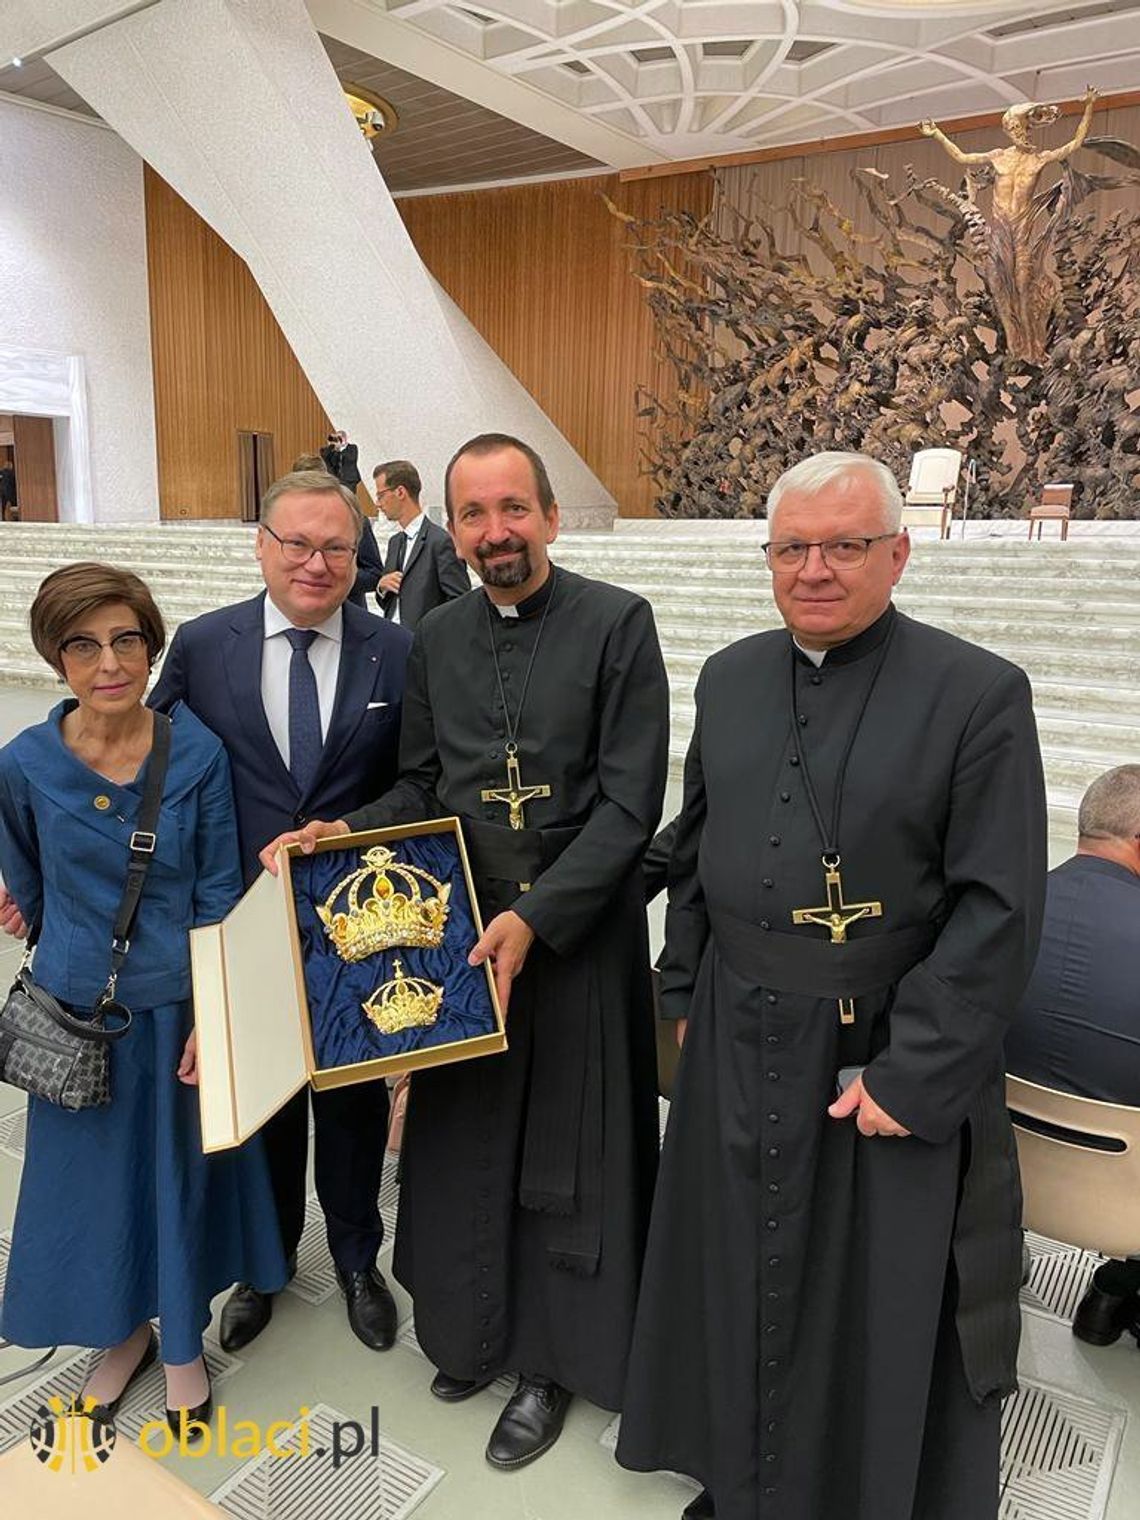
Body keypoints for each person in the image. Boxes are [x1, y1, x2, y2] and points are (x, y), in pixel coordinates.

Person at [616, 451, 1047, 1520]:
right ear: (767, 558)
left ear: (897, 554)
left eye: (845, 544)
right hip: (734, 1026)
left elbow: (1000, 905)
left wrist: (918, 1073)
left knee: (860, 1292)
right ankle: (742, 1475)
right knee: (734, 1266)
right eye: (793, 547)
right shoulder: (729, 675)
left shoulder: (978, 693)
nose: (816, 568)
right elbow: (704, 841)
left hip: (877, 1049)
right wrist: (678, 991)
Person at [259, 433, 669, 1469]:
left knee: (562, 1160)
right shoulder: (435, 634)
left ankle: (551, 1360)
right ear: (454, 524)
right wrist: (345, 832)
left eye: (514, 509)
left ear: (550, 516)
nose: (497, 533)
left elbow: (632, 806)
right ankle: (474, 1327)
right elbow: (423, 786)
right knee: (465, 1142)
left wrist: (539, 919)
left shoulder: (619, 624)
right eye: (476, 514)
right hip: (460, 942)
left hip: (573, 941)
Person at [0, 563, 286, 1437]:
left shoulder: (191, 752)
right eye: (82, 645)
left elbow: (214, 888)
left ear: (152, 649)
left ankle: (182, 1343)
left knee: (180, 1180)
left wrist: (213, 1010)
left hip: (175, 1005)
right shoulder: (23, 764)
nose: (108, 663)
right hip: (77, 1014)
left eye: (127, 640)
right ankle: (116, 1334)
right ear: (56, 659)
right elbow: (26, 879)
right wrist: (43, 928)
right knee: (92, 1190)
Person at [148, 468, 412, 1355]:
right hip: (241, 915)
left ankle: (355, 1260)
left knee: (350, 1102)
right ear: (261, 546)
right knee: (257, 1098)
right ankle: (261, 1267)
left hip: (354, 917)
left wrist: (351, 828)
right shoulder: (202, 644)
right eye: (296, 543)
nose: (316, 562)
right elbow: (149, 764)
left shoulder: (395, 651)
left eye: (337, 546)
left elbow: (420, 777)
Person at [1005, 764, 1140, 1348]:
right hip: (1123, 1206)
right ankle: (1112, 1298)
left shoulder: (995, 913)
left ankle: (1002, 1261)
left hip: (994, 1173)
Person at [374, 459, 470, 629]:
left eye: (381, 495)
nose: (377, 503)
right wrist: (381, 587)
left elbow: (459, 602)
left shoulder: (440, 541)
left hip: (424, 646)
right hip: (392, 643)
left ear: (400, 492)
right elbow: (391, 604)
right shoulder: (394, 543)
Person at [295, 450, 382, 607]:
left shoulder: (355, 520)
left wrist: (337, 578)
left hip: (348, 614)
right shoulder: (285, 525)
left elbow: (374, 574)